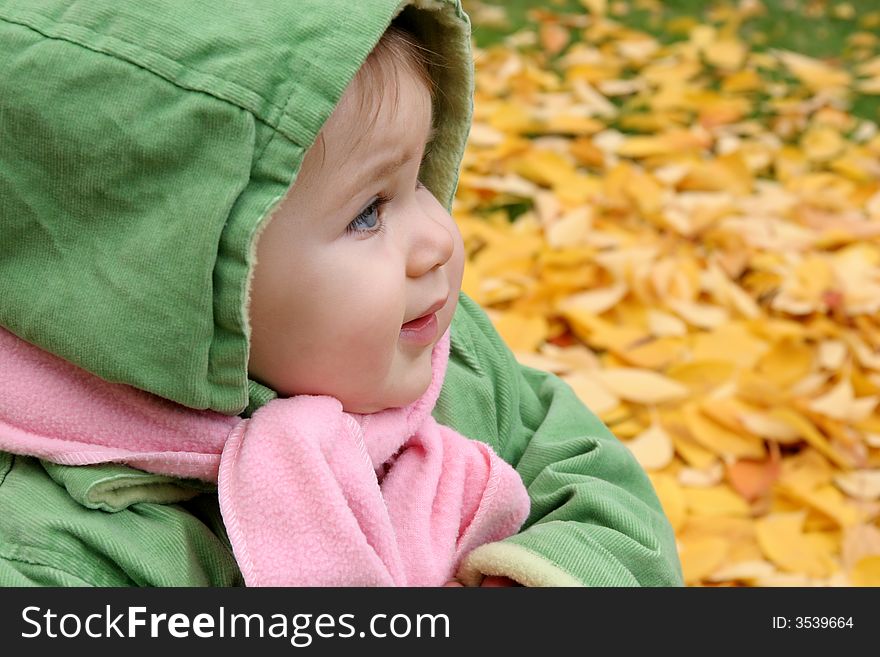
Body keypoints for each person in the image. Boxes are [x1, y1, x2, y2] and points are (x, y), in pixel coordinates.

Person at [0, 0, 683, 587]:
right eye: (368, 212)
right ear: (172, 280)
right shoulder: (56, 545)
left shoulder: (450, 356)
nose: (438, 238)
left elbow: (596, 487)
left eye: (418, 180)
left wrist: (548, 572)